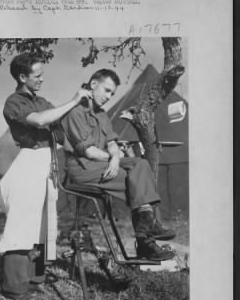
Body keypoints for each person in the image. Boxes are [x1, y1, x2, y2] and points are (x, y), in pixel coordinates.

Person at [0, 53, 93, 300]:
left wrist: (83, 107)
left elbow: (60, 125)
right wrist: (72, 100)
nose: (42, 79)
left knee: (43, 224)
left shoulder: (44, 101)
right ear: (23, 76)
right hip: (29, 162)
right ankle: (13, 286)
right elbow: (40, 121)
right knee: (22, 224)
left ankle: (34, 280)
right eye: (38, 75)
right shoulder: (13, 102)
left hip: (49, 162)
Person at [61, 69, 176, 262]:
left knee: (140, 165)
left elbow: (113, 142)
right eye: (106, 90)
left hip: (103, 163)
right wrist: (111, 159)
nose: (108, 97)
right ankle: (147, 240)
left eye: (112, 94)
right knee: (138, 182)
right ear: (93, 85)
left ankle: (146, 228)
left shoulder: (102, 114)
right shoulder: (75, 112)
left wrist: (115, 159)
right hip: (83, 168)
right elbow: (89, 152)